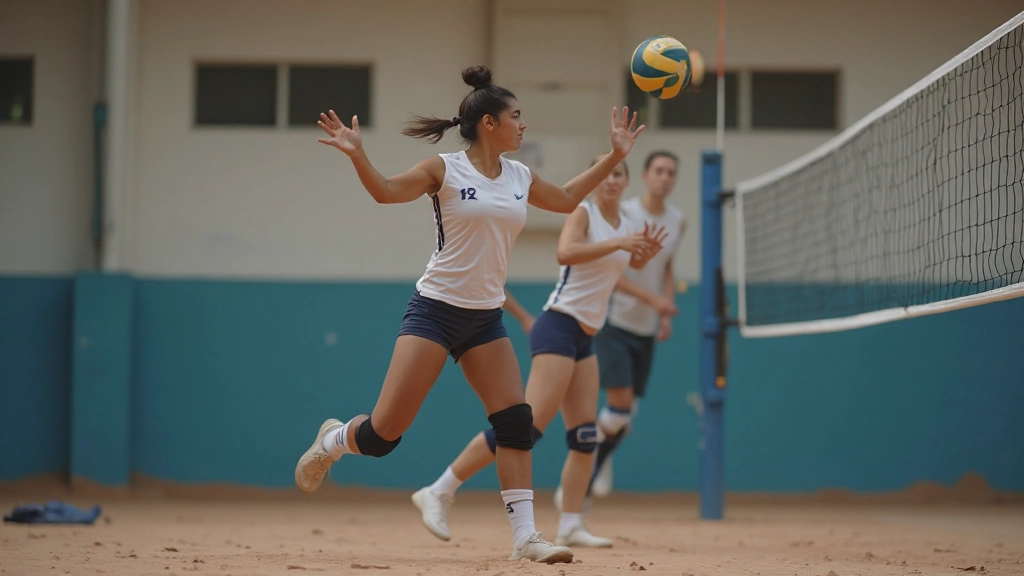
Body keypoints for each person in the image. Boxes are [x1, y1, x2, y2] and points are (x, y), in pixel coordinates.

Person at [293, 65, 646, 565]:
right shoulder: (444, 169)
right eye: (516, 116)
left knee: (516, 422)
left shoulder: (520, 176)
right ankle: (333, 441)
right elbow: (385, 191)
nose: (523, 125)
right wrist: (358, 155)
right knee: (382, 435)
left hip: (485, 319)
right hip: (435, 311)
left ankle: (526, 538)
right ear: (488, 123)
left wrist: (615, 155)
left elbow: (568, 200)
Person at [411, 155, 667, 548]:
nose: (611, 180)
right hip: (559, 327)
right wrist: (618, 243)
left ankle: (571, 523)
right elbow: (566, 253)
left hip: (586, 334)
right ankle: (439, 489)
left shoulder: (628, 224)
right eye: (606, 173)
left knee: (585, 436)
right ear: (596, 180)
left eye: (618, 174)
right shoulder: (583, 212)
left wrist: (642, 254)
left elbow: (620, 265)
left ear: (627, 181)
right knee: (524, 429)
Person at [568, 150, 686, 503]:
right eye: (659, 170)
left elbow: (667, 266)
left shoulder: (678, 220)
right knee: (619, 407)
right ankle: (590, 459)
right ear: (645, 177)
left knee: (624, 414)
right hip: (614, 320)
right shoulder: (626, 214)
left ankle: (599, 454)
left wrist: (664, 312)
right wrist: (653, 300)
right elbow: (611, 272)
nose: (665, 177)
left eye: (671, 172)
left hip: (646, 326)